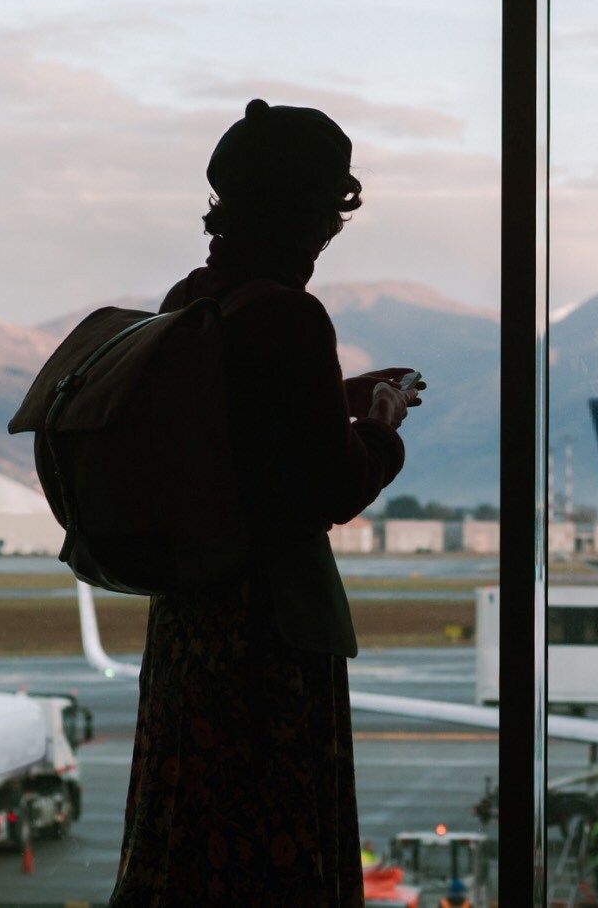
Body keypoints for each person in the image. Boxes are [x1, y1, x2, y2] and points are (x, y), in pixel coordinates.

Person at [111, 100, 424, 907]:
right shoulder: (290, 315)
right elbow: (326, 488)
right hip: (267, 639)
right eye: (327, 216)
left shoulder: (192, 300)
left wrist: (337, 397)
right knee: (274, 851)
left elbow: (234, 433)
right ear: (304, 214)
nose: (327, 237)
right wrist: (382, 429)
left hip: (191, 625)